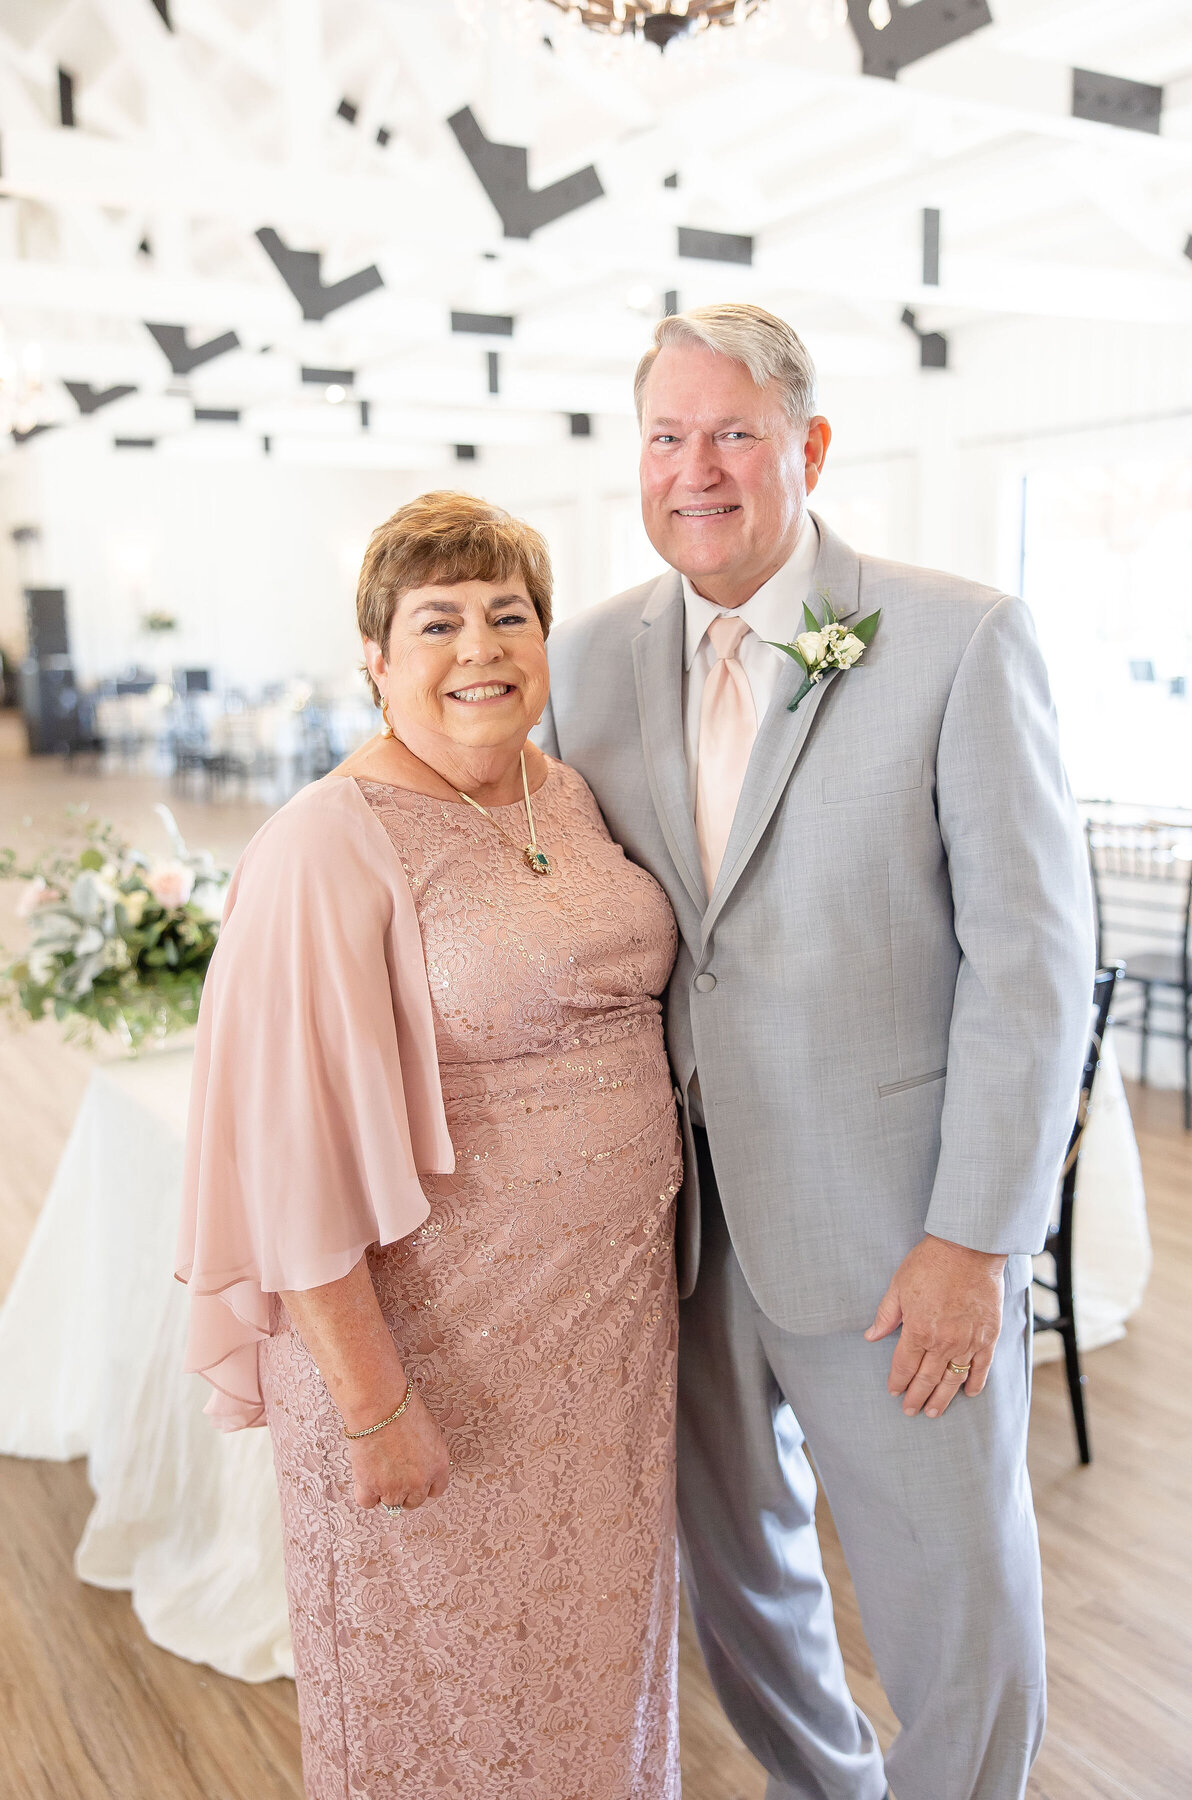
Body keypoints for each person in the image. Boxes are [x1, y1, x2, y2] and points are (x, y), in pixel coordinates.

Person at [536, 304, 1095, 1800]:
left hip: (896, 1236)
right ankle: (824, 1787)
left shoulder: (960, 636)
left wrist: (975, 1243)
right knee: (740, 1589)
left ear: (809, 447)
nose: (694, 470)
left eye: (732, 434)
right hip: (677, 1237)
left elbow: (1031, 970)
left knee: (952, 1593)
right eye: (666, 437)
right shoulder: (586, 664)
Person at [176, 491, 683, 1800]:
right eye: (439, 621)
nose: (481, 649)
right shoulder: (324, 843)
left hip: (608, 1349)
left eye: (509, 615)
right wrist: (374, 1404)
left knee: (590, 1670)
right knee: (444, 1699)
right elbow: (285, 1166)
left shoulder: (563, 792)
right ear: (376, 659)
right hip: (434, 1353)